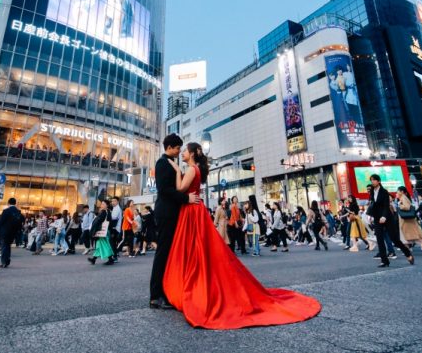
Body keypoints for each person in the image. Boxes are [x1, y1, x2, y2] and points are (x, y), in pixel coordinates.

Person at [161, 142, 320, 328]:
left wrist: (175, 168)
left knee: (193, 246)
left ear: (192, 153)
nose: (182, 153)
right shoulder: (197, 169)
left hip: (191, 210)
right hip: (197, 211)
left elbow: (180, 188)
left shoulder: (190, 169)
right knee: (201, 246)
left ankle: (192, 283)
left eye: (185, 151)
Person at [149, 133, 200, 310]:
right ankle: (155, 296)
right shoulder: (163, 163)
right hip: (165, 213)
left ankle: (167, 291)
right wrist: (186, 199)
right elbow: (164, 190)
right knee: (163, 253)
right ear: (170, 147)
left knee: (170, 254)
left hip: (172, 213)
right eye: (178, 148)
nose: (179, 151)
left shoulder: (172, 163)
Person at [368, 174, 413, 268]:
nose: (372, 182)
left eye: (374, 180)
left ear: (379, 181)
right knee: (379, 239)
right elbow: (372, 205)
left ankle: (407, 253)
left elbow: (386, 205)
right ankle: (384, 261)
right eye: (371, 180)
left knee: (394, 239)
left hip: (387, 217)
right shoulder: (372, 192)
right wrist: (371, 216)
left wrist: (384, 216)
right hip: (377, 218)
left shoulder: (384, 192)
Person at [396, 187, 422, 254]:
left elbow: (407, 207)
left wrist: (399, 206)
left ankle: (408, 251)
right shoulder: (403, 197)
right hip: (406, 220)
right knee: (413, 236)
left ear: (401, 191)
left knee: (411, 236)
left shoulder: (403, 198)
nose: (397, 193)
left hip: (406, 221)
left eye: (398, 191)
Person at [0, 198, 24, 268]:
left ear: (8, 203)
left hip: (5, 231)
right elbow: (20, 223)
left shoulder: (6, 211)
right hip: (13, 232)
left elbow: (1, 222)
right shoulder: (18, 212)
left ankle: (4, 262)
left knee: (4, 246)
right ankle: (7, 260)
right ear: (15, 203)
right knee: (8, 246)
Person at [88, 199, 114, 265]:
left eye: (103, 204)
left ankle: (111, 259)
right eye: (101, 204)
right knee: (100, 245)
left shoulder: (103, 212)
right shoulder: (108, 212)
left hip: (102, 231)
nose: (101, 205)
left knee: (104, 245)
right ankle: (94, 259)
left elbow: (98, 222)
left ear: (107, 205)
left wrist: (93, 230)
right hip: (105, 231)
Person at [109, 197, 123, 262]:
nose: (112, 202)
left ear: (117, 202)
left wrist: (108, 214)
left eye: (114, 201)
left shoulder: (117, 209)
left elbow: (113, 217)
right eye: (112, 201)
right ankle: (115, 255)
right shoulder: (115, 208)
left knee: (112, 242)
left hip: (115, 228)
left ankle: (115, 256)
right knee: (112, 242)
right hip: (115, 228)